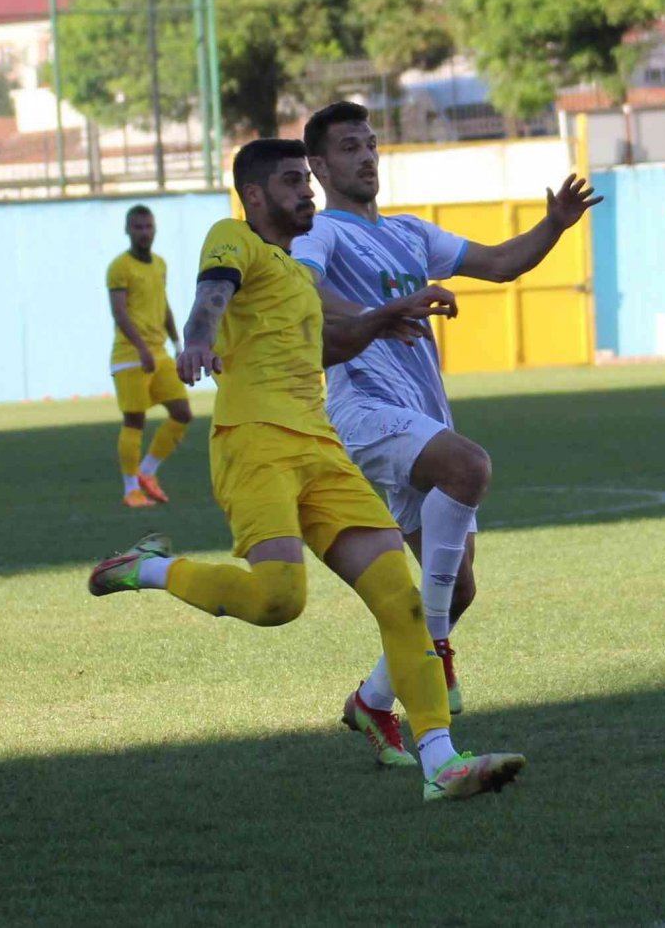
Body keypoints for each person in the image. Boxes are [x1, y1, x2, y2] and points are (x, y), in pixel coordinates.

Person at [88, 138, 525, 803]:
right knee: (277, 601)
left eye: (307, 181)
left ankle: (441, 761)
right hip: (254, 443)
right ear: (256, 194)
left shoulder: (295, 275)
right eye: (294, 181)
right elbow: (214, 292)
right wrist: (200, 336)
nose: (307, 192)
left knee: (402, 603)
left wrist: (385, 316)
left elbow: (328, 344)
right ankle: (147, 567)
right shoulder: (230, 236)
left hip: (320, 450)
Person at [291, 101, 601, 764]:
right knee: (470, 468)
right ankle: (431, 658)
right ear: (318, 165)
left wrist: (552, 226)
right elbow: (300, 291)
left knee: (458, 588)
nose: (367, 156)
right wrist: (382, 312)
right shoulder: (322, 236)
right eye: (349, 147)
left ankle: (372, 701)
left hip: (420, 415)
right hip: (366, 410)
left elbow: (498, 264)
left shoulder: (408, 233)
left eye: (371, 143)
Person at [106, 203, 192, 508]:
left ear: (154, 229)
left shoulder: (160, 264)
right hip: (131, 355)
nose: (144, 232)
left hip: (158, 353)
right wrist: (142, 348)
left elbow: (163, 304)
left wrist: (177, 342)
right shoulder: (120, 267)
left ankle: (146, 472)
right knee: (135, 420)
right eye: (138, 227)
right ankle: (131, 490)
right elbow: (119, 312)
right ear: (128, 230)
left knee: (182, 413)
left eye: (148, 227)